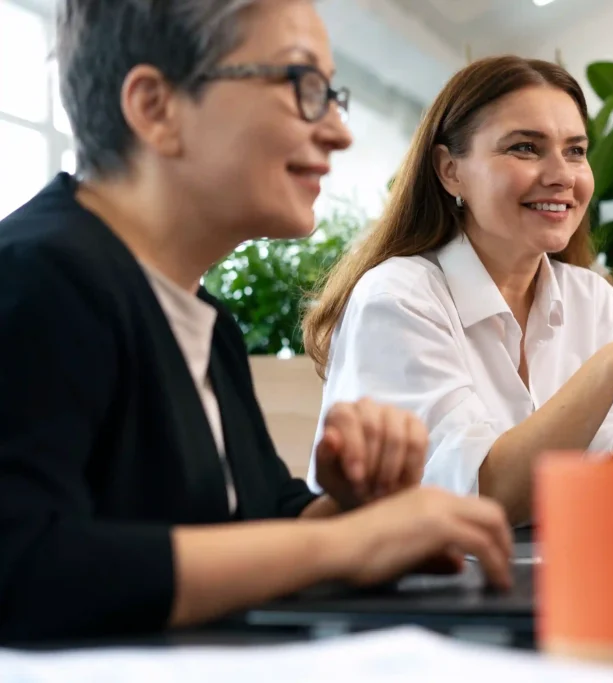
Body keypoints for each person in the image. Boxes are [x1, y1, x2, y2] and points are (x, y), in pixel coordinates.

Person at [0, 0, 513, 645]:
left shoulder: (206, 321)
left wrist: (357, 507)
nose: (339, 132)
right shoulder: (34, 276)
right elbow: (23, 566)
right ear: (156, 108)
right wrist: (344, 544)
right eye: (302, 86)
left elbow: (259, 522)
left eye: (333, 94)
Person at [301, 56, 613, 526]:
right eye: (526, 148)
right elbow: (483, 498)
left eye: (575, 150)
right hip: (410, 590)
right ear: (451, 171)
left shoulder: (594, 301)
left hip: (540, 583)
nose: (561, 175)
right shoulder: (398, 298)